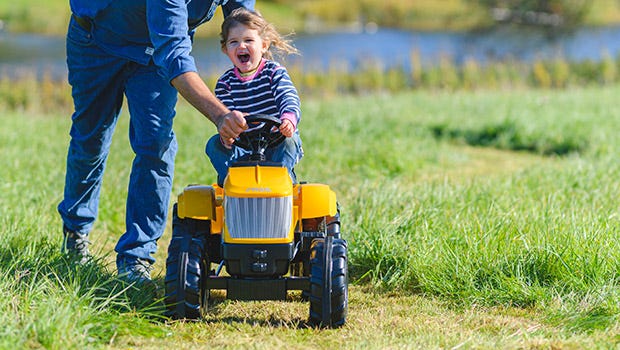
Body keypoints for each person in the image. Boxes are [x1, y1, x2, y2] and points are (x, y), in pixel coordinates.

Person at [58, 0, 255, 283]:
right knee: (91, 139)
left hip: (154, 53)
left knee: (156, 144)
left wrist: (267, 87)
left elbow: (246, 25)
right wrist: (220, 115)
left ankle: (136, 257)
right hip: (97, 40)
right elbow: (174, 54)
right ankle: (76, 231)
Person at [206, 8, 303, 185]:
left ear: (263, 45)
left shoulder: (274, 73)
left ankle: (283, 181)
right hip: (242, 148)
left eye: (248, 40)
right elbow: (226, 115)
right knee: (214, 144)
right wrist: (227, 134)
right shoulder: (225, 84)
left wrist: (288, 119)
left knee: (291, 140)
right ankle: (230, 181)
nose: (241, 46)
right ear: (226, 49)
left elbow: (288, 98)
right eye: (234, 42)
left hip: (276, 142)